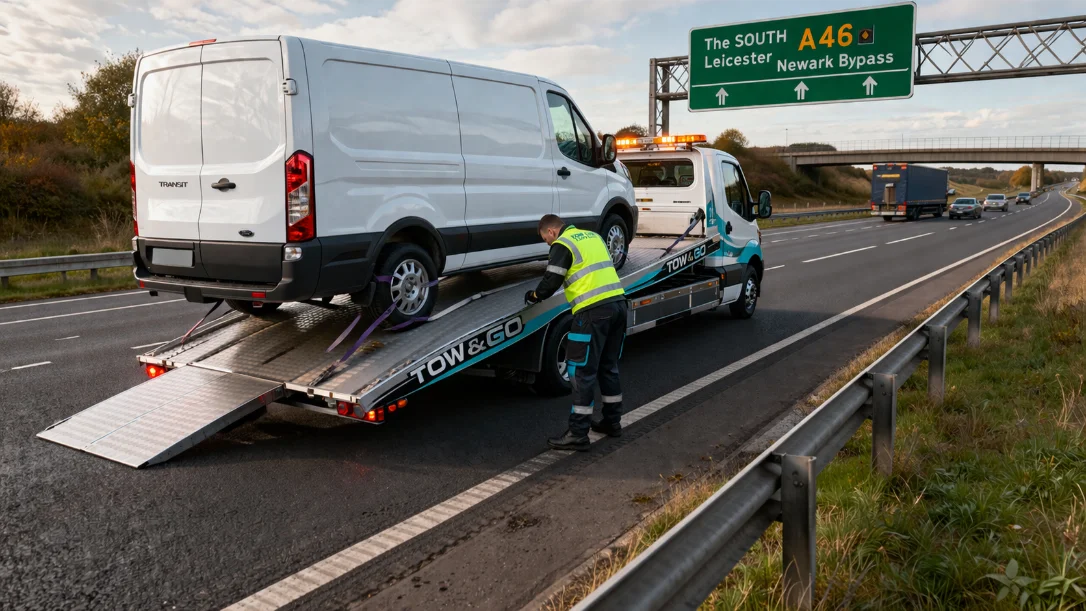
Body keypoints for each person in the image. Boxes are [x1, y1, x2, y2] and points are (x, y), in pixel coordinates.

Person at [525, 215, 628, 451]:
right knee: (608, 367)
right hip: (619, 305)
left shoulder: (563, 244)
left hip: (592, 313)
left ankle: (578, 433)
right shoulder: (594, 237)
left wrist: (534, 296)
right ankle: (613, 422)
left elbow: (551, 281)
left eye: (546, 240)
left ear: (551, 231)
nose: (548, 245)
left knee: (581, 372)